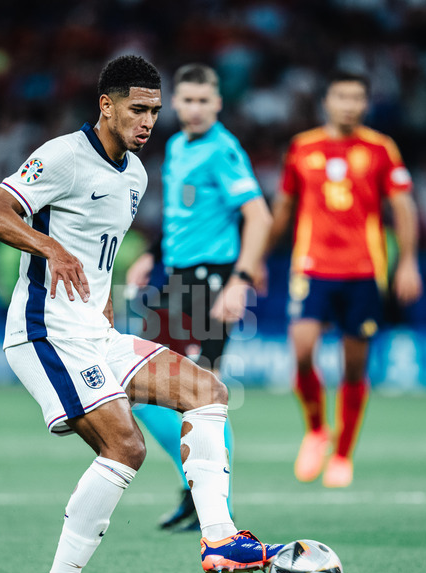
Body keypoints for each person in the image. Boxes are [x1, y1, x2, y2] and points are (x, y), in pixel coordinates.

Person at [0, 55, 282, 573]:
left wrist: (107, 315)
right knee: (126, 447)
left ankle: (219, 536)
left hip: (96, 332)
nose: (148, 121)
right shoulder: (63, 156)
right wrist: (51, 249)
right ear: (106, 105)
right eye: (138, 109)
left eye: (154, 111)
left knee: (208, 392)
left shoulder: (135, 174)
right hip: (46, 334)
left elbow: (101, 262)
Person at [125, 63, 272, 531]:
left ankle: (216, 505)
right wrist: (151, 253)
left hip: (212, 282)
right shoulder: (174, 147)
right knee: (141, 387)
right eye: (186, 100)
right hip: (176, 279)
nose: (194, 109)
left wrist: (240, 280)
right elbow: (179, 216)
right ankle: (195, 486)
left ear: (218, 103)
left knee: (205, 393)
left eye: (203, 101)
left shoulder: (223, 149)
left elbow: (259, 216)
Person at [269, 71, 423, 488]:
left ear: (366, 104)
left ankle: (342, 453)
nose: (349, 105)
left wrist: (408, 261)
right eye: (342, 97)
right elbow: (283, 207)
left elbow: (403, 207)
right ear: (327, 101)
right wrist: (259, 259)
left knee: (353, 368)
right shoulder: (303, 147)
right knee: (302, 351)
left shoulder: (380, 148)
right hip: (311, 267)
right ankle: (317, 430)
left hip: (363, 271)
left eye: (357, 98)